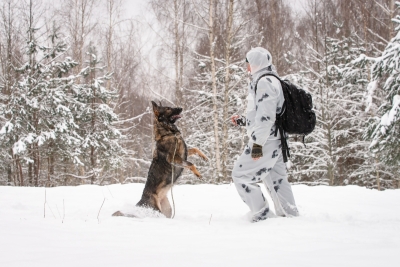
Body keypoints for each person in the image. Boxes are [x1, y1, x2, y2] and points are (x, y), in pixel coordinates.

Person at [231, 47, 299, 222]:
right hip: (273, 137)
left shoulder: (264, 82)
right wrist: (244, 121)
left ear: (256, 64)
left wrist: (257, 144)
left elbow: (266, 117)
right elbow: (261, 113)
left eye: (249, 64)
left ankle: (261, 214)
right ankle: (290, 215)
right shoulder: (268, 80)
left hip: (266, 139)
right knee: (277, 179)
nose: (247, 68)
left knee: (240, 175)